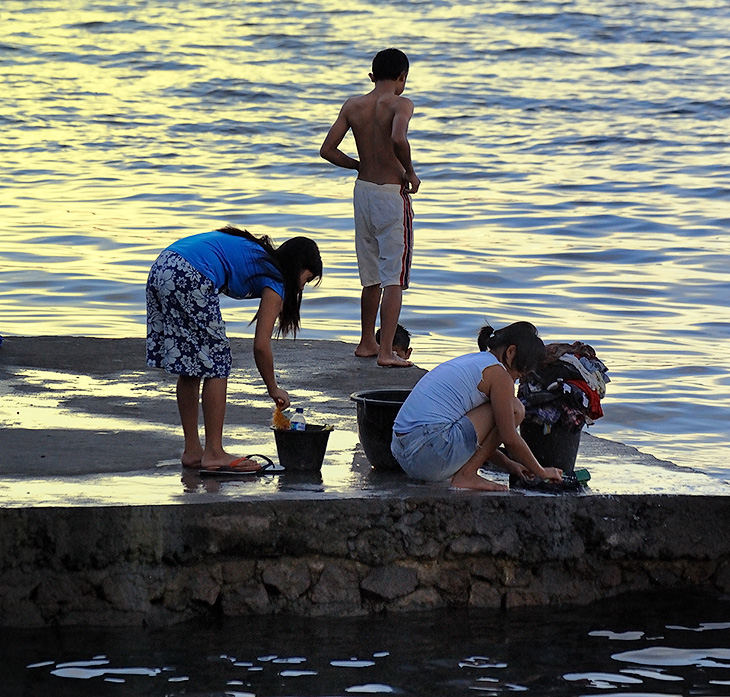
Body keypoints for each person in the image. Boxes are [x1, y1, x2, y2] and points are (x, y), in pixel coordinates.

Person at [146, 225, 322, 472]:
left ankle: (193, 450)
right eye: (306, 279)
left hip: (165, 265)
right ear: (297, 267)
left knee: (190, 365)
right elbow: (261, 346)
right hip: (191, 274)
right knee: (217, 361)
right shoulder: (277, 279)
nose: (302, 288)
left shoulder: (258, 255)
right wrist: (273, 387)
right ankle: (215, 452)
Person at [320, 47, 420, 368]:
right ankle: (387, 351)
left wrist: (358, 164)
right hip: (391, 194)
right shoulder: (401, 103)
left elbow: (328, 150)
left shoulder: (353, 106)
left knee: (371, 274)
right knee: (394, 276)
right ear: (402, 77)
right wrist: (410, 172)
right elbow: (398, 138)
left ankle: (367, 342)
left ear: (372, 76)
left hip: (362, 192)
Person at [391, 322, 563, 491]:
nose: (516, 381)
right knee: (515, 409)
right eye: (520, 374)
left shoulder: (476, 361)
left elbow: (479, 438)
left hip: (404, 455)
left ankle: (467, 472)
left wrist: (510, 465)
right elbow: (509, 438)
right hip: (431, 454)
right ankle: (467, 475)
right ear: (511, 352)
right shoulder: (499, 375)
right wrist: (541, 471)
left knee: (503, 410)